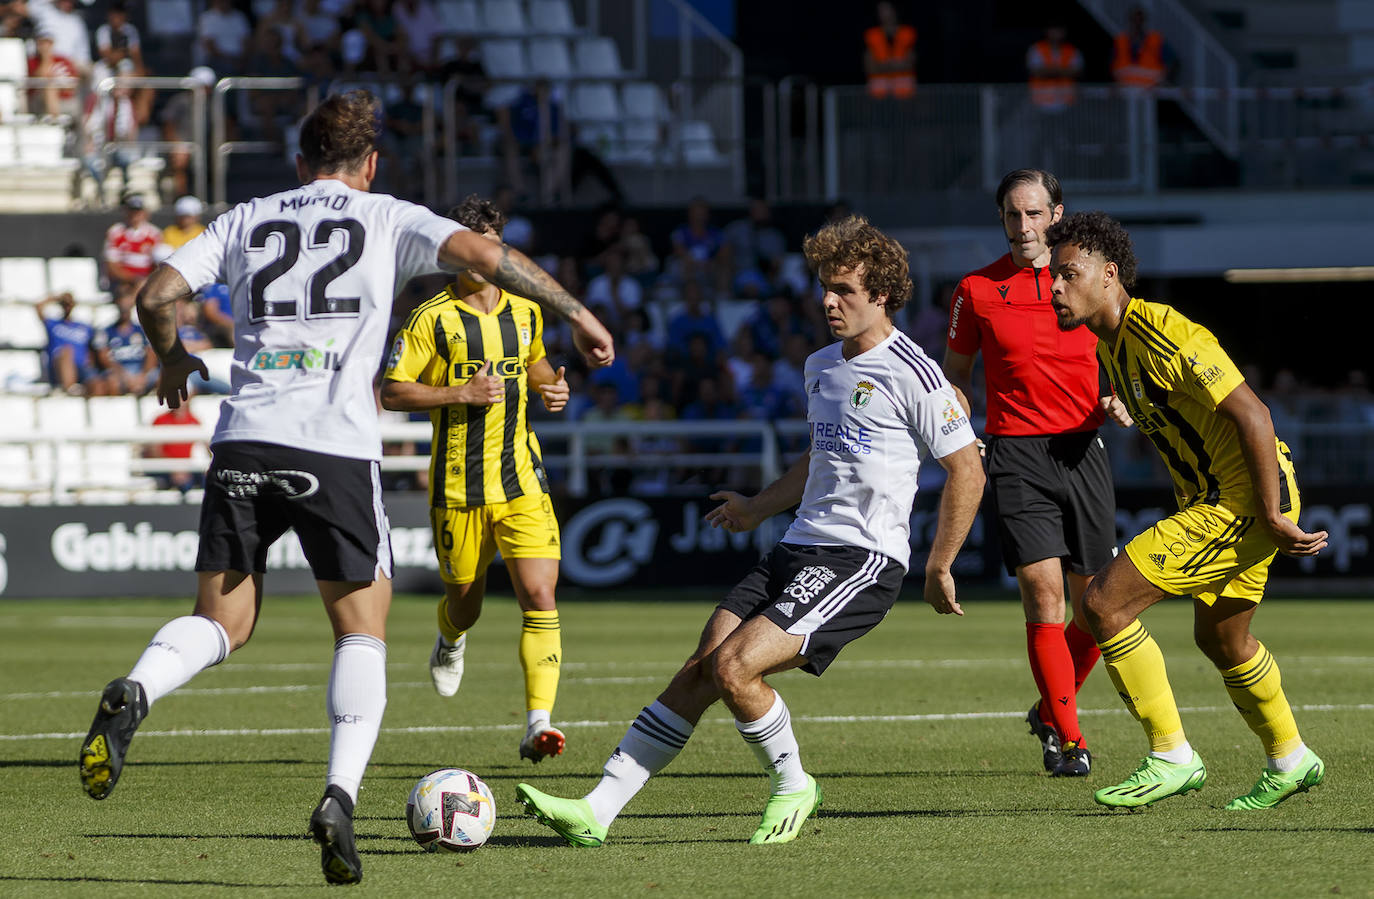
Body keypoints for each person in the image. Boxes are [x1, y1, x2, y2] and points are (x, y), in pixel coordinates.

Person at [76, 90, 614, 887]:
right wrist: (575, 313)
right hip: (331, 446)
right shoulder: (389, 215)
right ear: (369, 164)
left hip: (243, 439)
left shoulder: (245, 217)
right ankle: (338, 797)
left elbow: (155, 295)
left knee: (221, 620)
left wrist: (172, 358)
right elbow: (489, 258)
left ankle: (137, 686)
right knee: (360, 631)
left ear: (299, 161)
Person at [515, 214, 985, 847]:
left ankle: (794, 785)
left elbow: (967, 469)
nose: (828, 301)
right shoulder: (821, 366)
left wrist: (940, 563)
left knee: (737, 668)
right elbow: (821, 457)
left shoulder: (916, 374)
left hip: (861, 561)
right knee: (703, 668)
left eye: (844, 289)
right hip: (797, 546)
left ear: (881, 295)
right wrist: (759, 508)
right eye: (824, 287)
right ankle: (597, 809)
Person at [1044, 210, 1327, 810]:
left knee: (1102, 602)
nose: (1056, 287)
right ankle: (1291, 757)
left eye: (1069, 274)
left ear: (1109, 274)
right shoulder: (1111, 347)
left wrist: (1273, 515)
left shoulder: (1165, 331)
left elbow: (1253, 414)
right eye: (1054, 277)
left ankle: (1172, 754)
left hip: (1244, 500)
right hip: (1226, 498)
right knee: (1223, 639)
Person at [943, 169, 1130, 778]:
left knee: (1101, 605)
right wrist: (957, 428)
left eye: (1032, 214)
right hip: (1016, 455)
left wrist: (1117, 398)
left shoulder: (1087, 279)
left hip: (1085, 451)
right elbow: (955, 378)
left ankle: (1052, 707)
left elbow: (1120, 354)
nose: (1021, 226)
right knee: (1044, 596)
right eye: (1010, 215)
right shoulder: (975, 289)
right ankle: (1068, 740)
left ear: (1056, 215)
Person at [379, 194, 574, 765]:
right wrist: (457, 392)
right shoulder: (430, 318)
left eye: (488, 248)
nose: (479, 260)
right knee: (464, 603)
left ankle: (539, 723)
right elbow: (392, 391)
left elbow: (533, 360)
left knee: (540, 594)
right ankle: (451, 637)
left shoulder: (526, 309)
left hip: (522, 481)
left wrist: (548, 385)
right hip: (457, 488)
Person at [103, 193, 161, 291]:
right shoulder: (116, 232)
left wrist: (145, 281)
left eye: (138, 211)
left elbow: (158, 264)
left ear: (144, 213)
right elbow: (112, 266)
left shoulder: (154, 234)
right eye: (131, 211)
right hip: (122, 283)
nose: (134, 215)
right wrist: (133, 279)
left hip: (147, 282)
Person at [1112, 5, 1175, 89]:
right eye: (1135, 20)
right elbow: (1112, 64)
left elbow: (1171, 61)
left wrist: (1161, 81)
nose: (1137, 24)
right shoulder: (1121, 41)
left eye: (1140, 20)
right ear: (1130, 21)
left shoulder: (1155, 40)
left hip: (1150, 92)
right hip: (1125, 92)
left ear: (1144, 21)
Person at [864, 1, 916, 99]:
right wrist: (893, 65)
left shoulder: (907, 33)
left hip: (904, 86)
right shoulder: (872, 35)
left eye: (887, 10)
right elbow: (869, 65)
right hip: (879, 88)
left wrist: (885, 65)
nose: (885, 14)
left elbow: (911, 62)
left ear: (895, 10)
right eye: (882, 11)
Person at [1028, 25, 1082, 112]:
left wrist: (1050, 71)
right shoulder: (1037, 49)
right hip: (1041, 101)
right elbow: (1036, 71)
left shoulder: (1072, 50)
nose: (1057, 33)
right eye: (1054, 30)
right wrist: (1062, 71)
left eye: (1059, 30)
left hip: (1067, 102)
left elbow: (1076, 71)